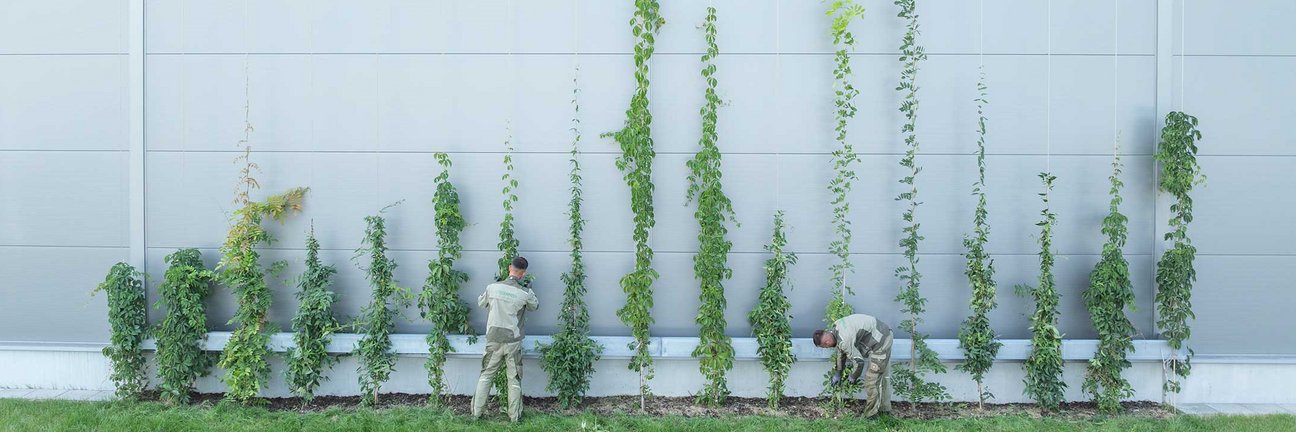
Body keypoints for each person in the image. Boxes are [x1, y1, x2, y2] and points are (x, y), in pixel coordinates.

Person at [471, 256, 539, 422]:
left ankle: (476, 414)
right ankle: (514, 417)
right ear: (523, 273)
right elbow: (534, 306)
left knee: (486, 375)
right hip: (513, 342)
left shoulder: (492, 287)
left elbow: (481, 303)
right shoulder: (525, 293)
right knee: (513, 379)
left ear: (509, 267)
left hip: (493, 340)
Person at [813, 313, 893, 417]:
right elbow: (841, 352)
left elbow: (859, 362)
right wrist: (838, 373)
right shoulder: (835, 327)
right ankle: (884, 410)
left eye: (824, 347)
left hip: (881, 341)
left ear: (827, 342)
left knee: (871, 380)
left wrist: (853, 376)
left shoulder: (844, 339)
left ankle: (871, 415)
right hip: (877, 334)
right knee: (880, 377)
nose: (826, 348)